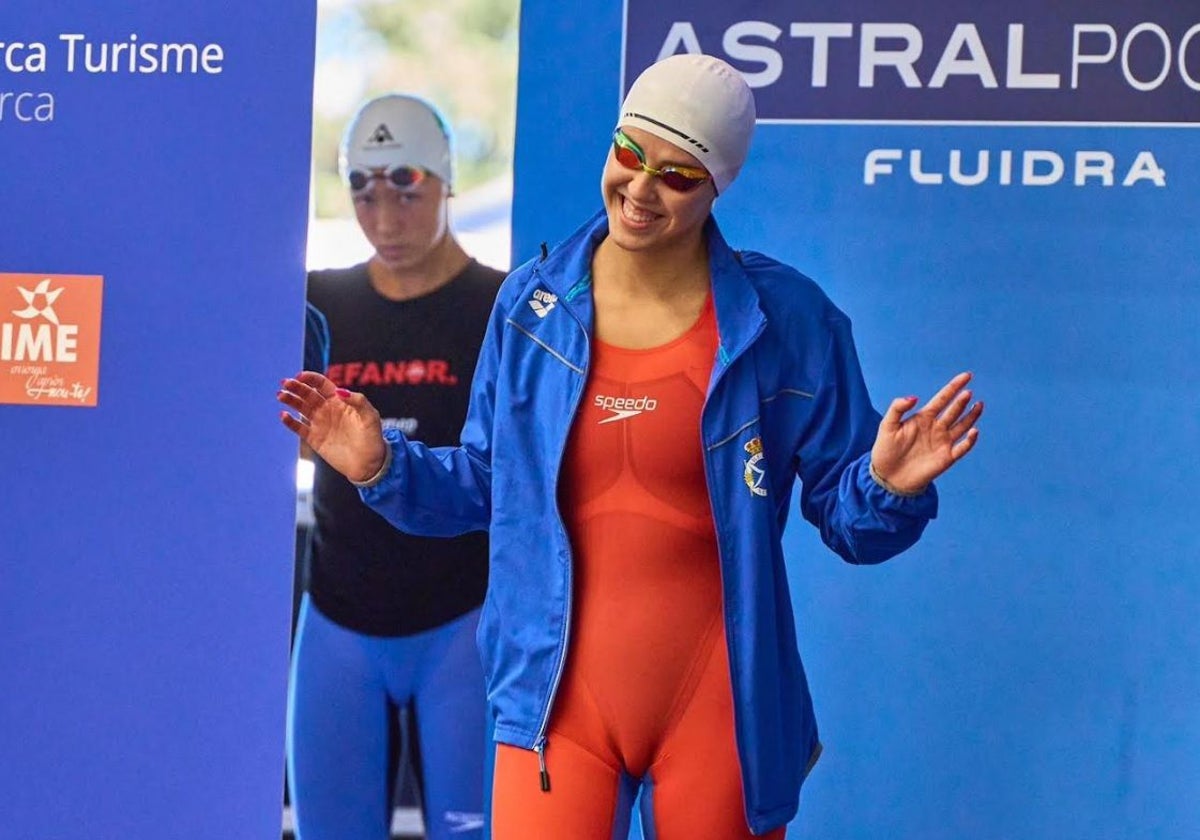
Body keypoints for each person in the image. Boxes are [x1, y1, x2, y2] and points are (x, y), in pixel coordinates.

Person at [279, 55, 983, 839]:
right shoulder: (533, 307)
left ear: (718, 185)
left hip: (720, 709)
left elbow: (850, 521)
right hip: (557, 705)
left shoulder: (786, 321)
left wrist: (888, 484)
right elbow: (485, 485)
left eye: (678, 175)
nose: (641, 190)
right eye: (629, 155)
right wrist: (381, 467)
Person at [287, 93, 503, 840]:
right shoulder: (315, 304)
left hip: (465, 626)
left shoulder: (501, 304)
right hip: (339, 623)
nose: (385, 216)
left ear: (445, 182)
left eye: (406, 185)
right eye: (363, 190)